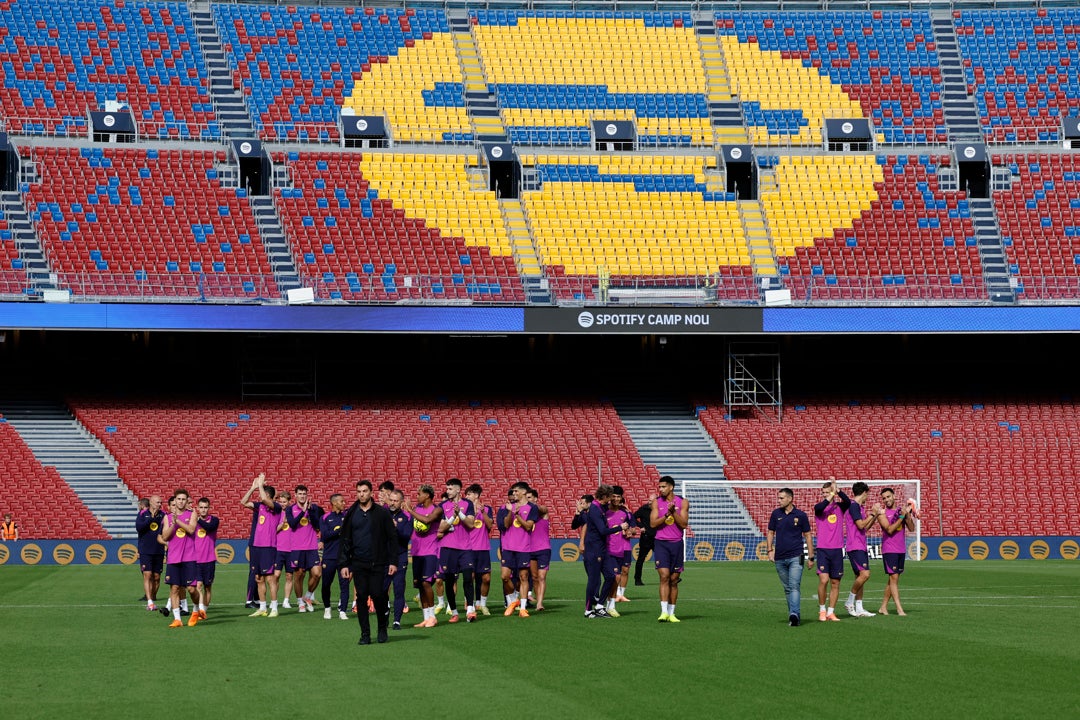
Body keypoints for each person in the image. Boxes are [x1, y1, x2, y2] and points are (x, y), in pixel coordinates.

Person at [339, 480, 399, 645]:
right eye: (359, 491)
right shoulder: (352, 513)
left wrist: (393, 562)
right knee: (361, 597)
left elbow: (392, 538)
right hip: (358, 563)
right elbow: (345, 540)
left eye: (364, 491)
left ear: (371, 492)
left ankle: (382, 628)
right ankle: (365, 634)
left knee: (378, 595)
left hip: (378, 562)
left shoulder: (382, 513)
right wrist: (344, 564)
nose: (361, 494)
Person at [573, 484, 627, 619]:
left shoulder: (600, 508)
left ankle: (599, 606)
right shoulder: (595, 509)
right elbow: (603, 531)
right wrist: (620, 527)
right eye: (610, 497)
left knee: (610, 576)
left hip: (602, 549)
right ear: (604, 496)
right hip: (594, 549)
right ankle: (588, 610)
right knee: (593, 580)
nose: (611, 500)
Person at [767, 488, 814, 626]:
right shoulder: (776, 514)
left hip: (796, 556)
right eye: (779, 498)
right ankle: (794, 616)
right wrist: (769, 550)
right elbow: (770, 532)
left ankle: (794, 613)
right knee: (787, 588)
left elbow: (808, 536)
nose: (779, 500)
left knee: (794, 586)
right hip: (780, 558)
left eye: (781, 498)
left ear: (790, 499)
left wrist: (811, 557)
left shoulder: (801, 515)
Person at [240, 473, 282, 618]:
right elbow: (243, 502)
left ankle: (274, 607)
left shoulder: (276, 507)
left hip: (268, 546)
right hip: (256, 546)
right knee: (258, 577)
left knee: (270, 578)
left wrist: (260, 485)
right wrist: (252, 488)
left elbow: (264, 498)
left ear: (267, 496)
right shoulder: (260, 507)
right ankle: (262, 608)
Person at [436, 478, 477, 623]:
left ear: (458, 490)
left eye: (450, 489)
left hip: (465, 548)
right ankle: (454, 612)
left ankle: (471, 610)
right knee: (449, 581)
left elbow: (471, 524)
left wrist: (460, 513)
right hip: (448, 548)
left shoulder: (468, 504)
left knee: (467, 578)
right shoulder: (442, 506)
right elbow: (441, 528)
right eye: (447, 489)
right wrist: (453, 516)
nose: (448, 491)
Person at [650, 476, 689, 623]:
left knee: (674, 579)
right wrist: (666, 514)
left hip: (677, 544)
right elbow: (653, 524)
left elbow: (684, 524)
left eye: (663, 487)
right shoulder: (656, 502)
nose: (660, 489)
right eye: (659, 487)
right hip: (661, 544)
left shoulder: (683, 502)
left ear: (671, 487)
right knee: (664, 575)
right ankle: (663, 612)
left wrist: (673, 513)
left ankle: (672, 613)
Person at [161, 489, 200, 628]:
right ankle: (177, 619)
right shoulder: (167, 517)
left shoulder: (192, 514)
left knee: (191, 589)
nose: (181, 502)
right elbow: (165, 536)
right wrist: (173, 523)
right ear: (175, 501)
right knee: (174, 588)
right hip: (173, 558)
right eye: (179, 499)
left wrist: (178, 521)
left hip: (189, 557)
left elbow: (190, 530)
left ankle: (195, 610)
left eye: (184, 499)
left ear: (187, 501)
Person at [813, 477, 849, 622]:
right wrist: (831, 495)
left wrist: (837, 490)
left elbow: (847, 501)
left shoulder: (839, 508)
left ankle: (831, 612)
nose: (825, 495)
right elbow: (819, 508)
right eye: (823, 493)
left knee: (836, 582)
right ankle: (822, 610)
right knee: (824, 580)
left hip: (837, 549)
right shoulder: (819, 508)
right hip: (823, 549)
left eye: (827, 492)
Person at [843, 482, 881, 618]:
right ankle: (849, 601)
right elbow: (860, 525)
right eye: (867, 494)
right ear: (864, 492)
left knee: (860, 577)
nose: (867, 497)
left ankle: (859, 608)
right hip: (855, 546)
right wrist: (873, 513)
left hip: (861, 544)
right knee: (865, 575)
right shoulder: (853, 506)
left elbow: (865, 528)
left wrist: (875, 516)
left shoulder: (859, 507)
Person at [409, 484, 444, 628]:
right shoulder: (417, 509)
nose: (417, 496)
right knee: (420, 586)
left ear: (427, 495)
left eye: (419, 494)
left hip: (431, 551)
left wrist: (410, 510)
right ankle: (425, 617)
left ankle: (432, 616)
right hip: (417, 551)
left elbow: (427, 520)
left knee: (426, 583)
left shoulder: (437, 509)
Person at [878, 487, 915, 616]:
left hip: (900, 549)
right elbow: (889, 530)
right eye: (884, 498)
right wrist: (901, 516)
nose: (886, 500)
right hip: (889, 549)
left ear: (894, 496)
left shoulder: (900, 510)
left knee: (893, 579)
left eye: (888, 496)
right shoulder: (882, 513)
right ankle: (899, 608)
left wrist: (908, 515)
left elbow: (911, 528)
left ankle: (883, 607)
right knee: (894, 578)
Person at [286, 485, 323, 613]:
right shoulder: (290, 509)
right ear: (295, 495)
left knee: (317, 573)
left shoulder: (314, 508)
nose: (302, 496)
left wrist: (310, 511)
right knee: (299, 575)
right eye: (300, 494)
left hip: (312, 547)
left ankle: (308, 596)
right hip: (297, 548)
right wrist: (303, 511)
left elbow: (317, 526)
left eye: (304, 494)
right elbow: (292, 524)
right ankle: (300, 601)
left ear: (307, 495)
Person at [603, 487, 635, 617]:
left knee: (618, 576)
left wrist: (629, 532)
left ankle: (609, 604)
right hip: (608, 550)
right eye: (614, 496)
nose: (616, 499)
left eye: (619, 496)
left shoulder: (626, 513)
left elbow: (633, 529)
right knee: (614, 577)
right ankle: (608, 605)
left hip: (622, 549)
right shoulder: (604, 512)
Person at [319, 493, 351, 621]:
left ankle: (342, 610)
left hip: (344, 557)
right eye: (342, 501)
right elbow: (325, 535)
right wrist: (340, 531)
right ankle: (327, 608)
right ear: (334, 503)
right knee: (326, 584)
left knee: (345, 585)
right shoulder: (325, 517)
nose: (344, 503)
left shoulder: (347, 517)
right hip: (329, 556)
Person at [384, 489, 412, 629]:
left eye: (396, 500)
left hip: (400, 557)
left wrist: (395, 529)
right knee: (382, 590)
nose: (393, 503)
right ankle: (384, 614)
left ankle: (396, 621)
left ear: (401, 502)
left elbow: (406, 536)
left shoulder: (407, 516)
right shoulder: (382, 514)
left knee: (399, 588)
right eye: (391, 500)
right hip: (383, 557)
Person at [465, 483, 494, 616]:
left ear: (476, 495)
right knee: (469, 577)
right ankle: (469, 603)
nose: (466, 496)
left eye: (469, 494)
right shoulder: (464, 510)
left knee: (486, 578)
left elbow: (489, 526)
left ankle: (482, 604)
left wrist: (482, 512)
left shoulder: (487, 509)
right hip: (468, 549)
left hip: (482, 548)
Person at [135, 496, 165, 611]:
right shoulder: (143, 514)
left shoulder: (163, 515)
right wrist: (150, 518)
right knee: (147, 575)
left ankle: (153, 597)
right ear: (151, 503)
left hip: (159, 550)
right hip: (146, 550)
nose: (160, 504)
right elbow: (139, 528)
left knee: (157, 577)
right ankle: (149, 602)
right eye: (158, 502)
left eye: (161, 502)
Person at [193, 497, 219, 621]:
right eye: (201, 507)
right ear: (197, 508)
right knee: (198, 585)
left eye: (205, 507)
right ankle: (200, 609)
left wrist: (197, 519)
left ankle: (204, 611)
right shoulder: (193, 522)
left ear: (209, 508)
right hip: (196, 560)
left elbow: (208, 528)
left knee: (208, 587)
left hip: (209, 559)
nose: (203, 510)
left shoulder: (214, 520)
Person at [525, 487, 551, 612]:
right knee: (534, 577)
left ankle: (540, 603)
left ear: (535, 498)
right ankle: (536, 598)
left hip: (543, 549)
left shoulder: (542, 512)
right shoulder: (526, 513)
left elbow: (543, 509)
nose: (528, 500)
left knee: (541, 576)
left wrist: (529, 505)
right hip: (530, 549)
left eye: (530, 497)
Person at [273, 489, 294, 610]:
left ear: (289, 502)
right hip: (278, 549)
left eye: (284, 502)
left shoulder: (293, 513)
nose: (282, 504)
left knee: (289, 576)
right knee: (276, 575)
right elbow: (273, 531)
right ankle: (274, 599)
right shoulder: (276, 513)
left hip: (291, 550)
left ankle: (286, 600)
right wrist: (282, 523)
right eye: (280, 501)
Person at [632, 498, 655, 586]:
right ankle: (637, 579)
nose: (649, 502)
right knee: (640, 559)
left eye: (652, 501)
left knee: (662, 558)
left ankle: (669, 578)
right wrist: (640, 526)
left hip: (657, 538)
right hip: (646, 538)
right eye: (649, 500)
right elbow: (633, 517)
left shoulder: (658, 510)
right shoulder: (643, 509)